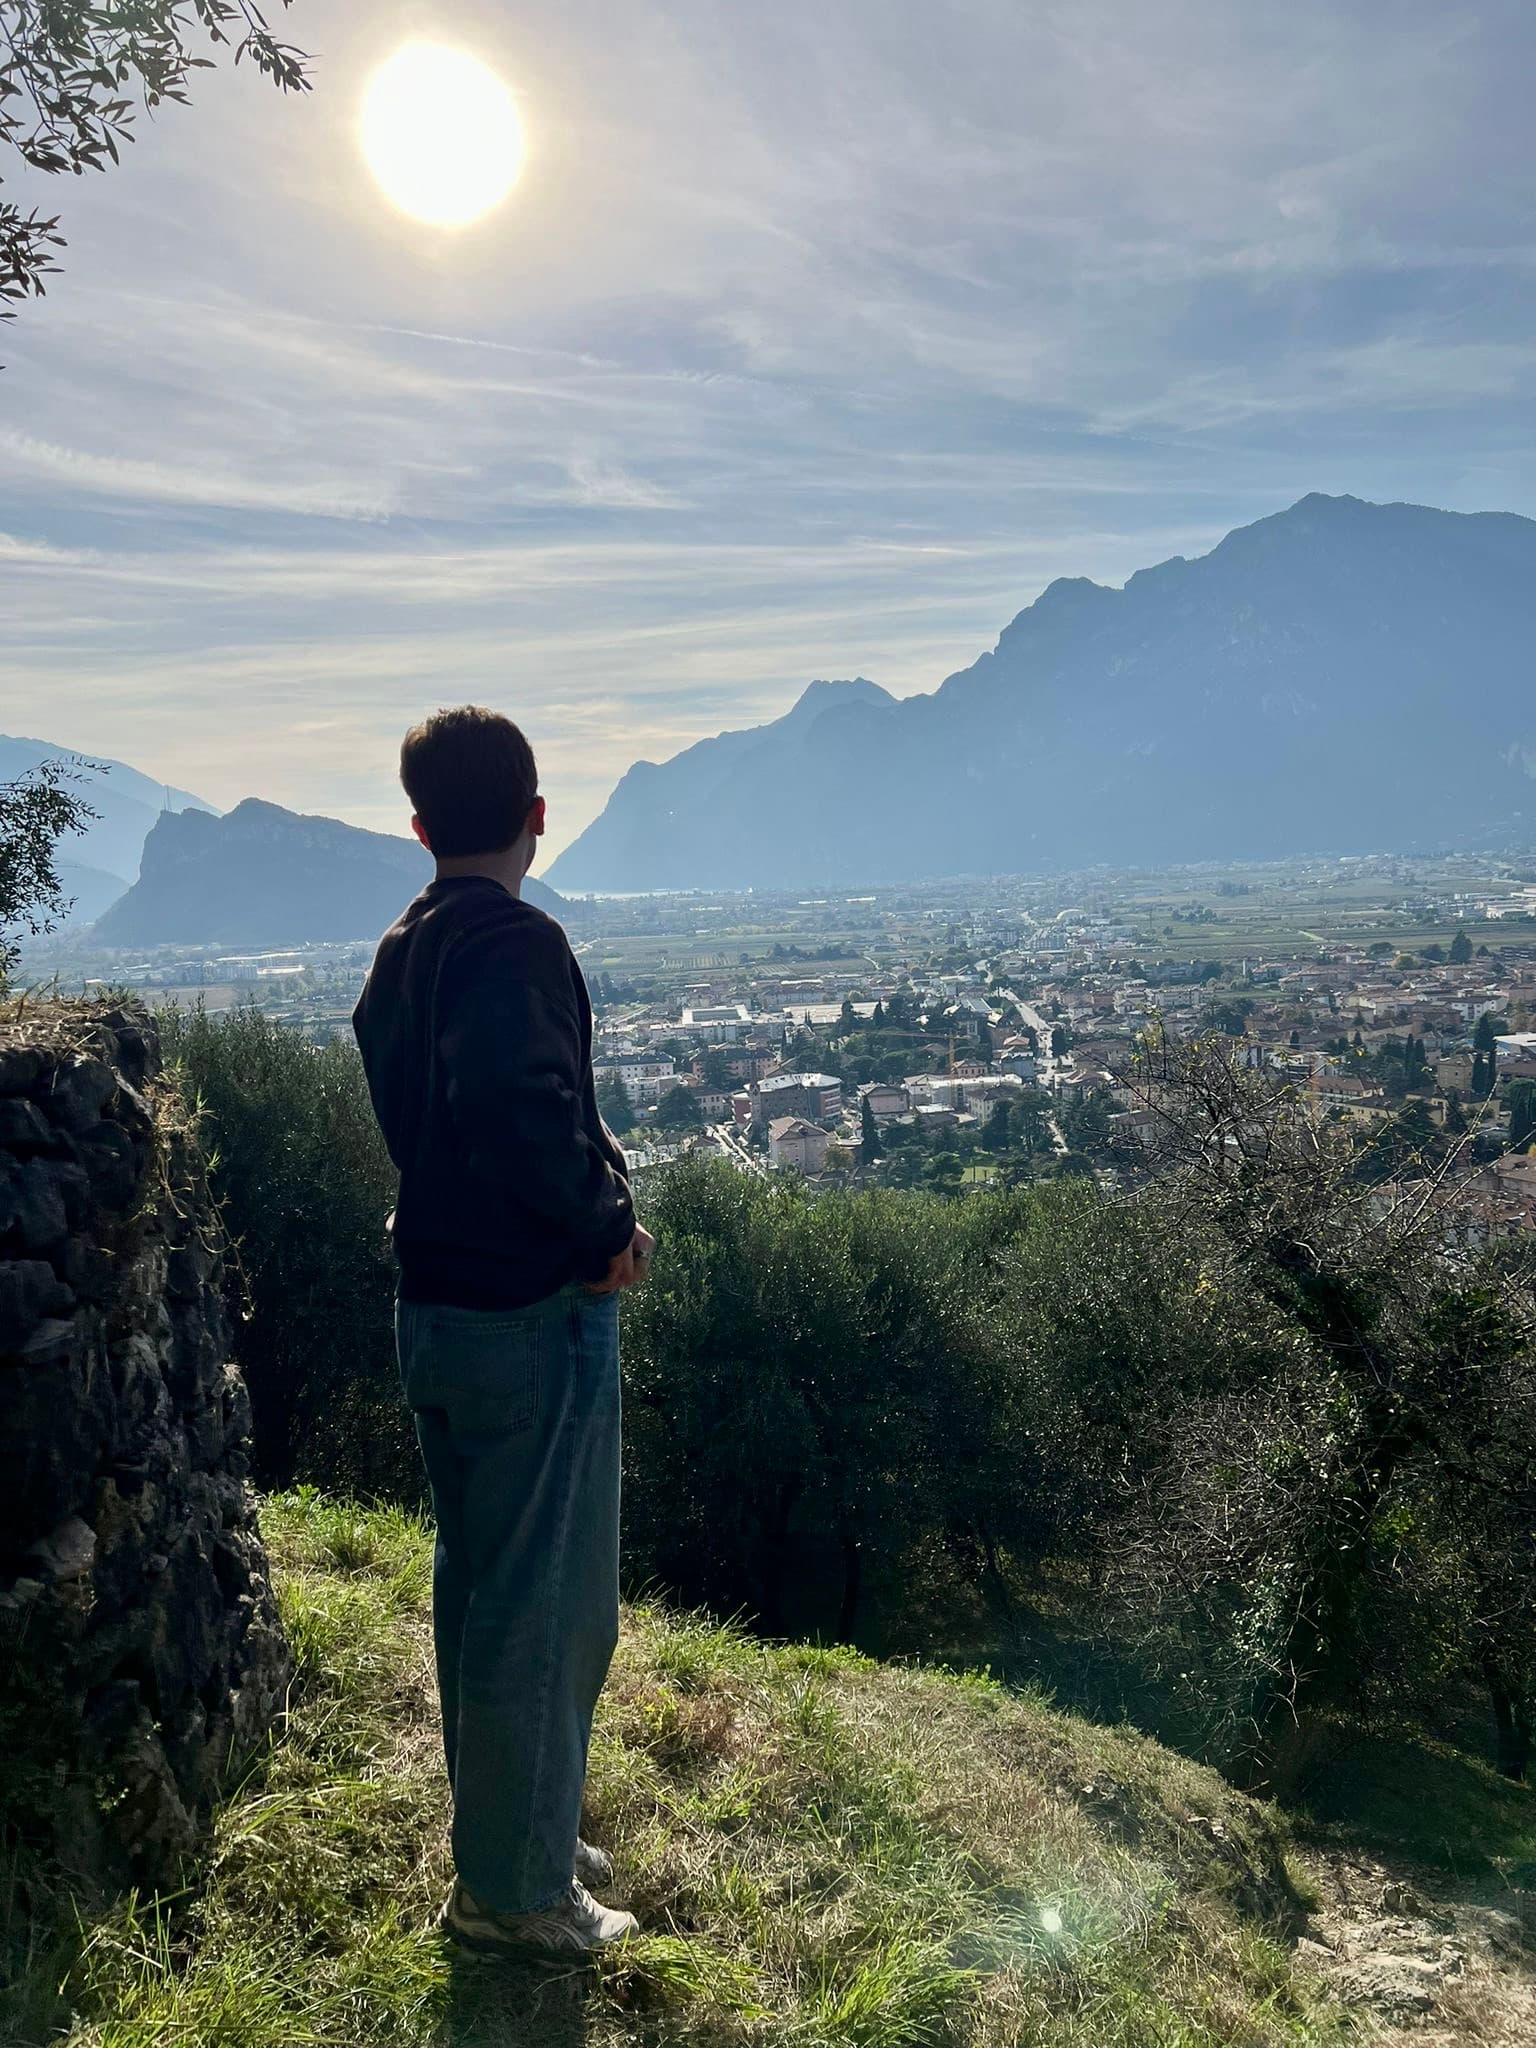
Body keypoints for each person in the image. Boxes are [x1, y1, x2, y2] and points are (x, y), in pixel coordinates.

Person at [352, 705, 653, 1959]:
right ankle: (515, 1894)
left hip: (436, 1305)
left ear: (420, 825)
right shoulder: (518, 942)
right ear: (538, 815)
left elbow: (435, 1110)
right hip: (527, 1313)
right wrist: (604, 1226)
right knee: (551, 1600)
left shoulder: (403, 946)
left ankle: (512, 1828)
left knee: (480, 1585)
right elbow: (519, 1105)